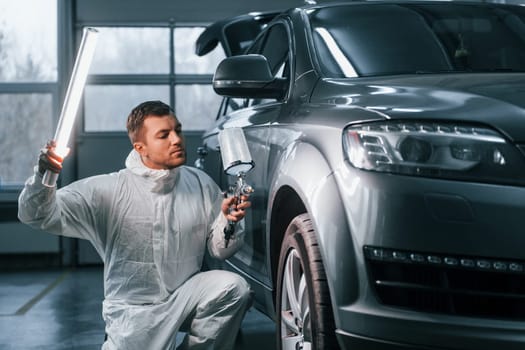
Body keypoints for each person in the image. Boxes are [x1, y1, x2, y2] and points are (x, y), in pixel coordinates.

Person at [18, 100, 253, 350]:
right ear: (140, 147)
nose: (176, 140)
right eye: (163, 135)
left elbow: (219, 249)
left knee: (234, 288)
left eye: (178, 130)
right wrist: (44, 175)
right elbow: (36, 215)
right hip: (134, 316)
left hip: (184, 297)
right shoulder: (108, 191)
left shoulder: (199, 184)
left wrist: (230, 221)